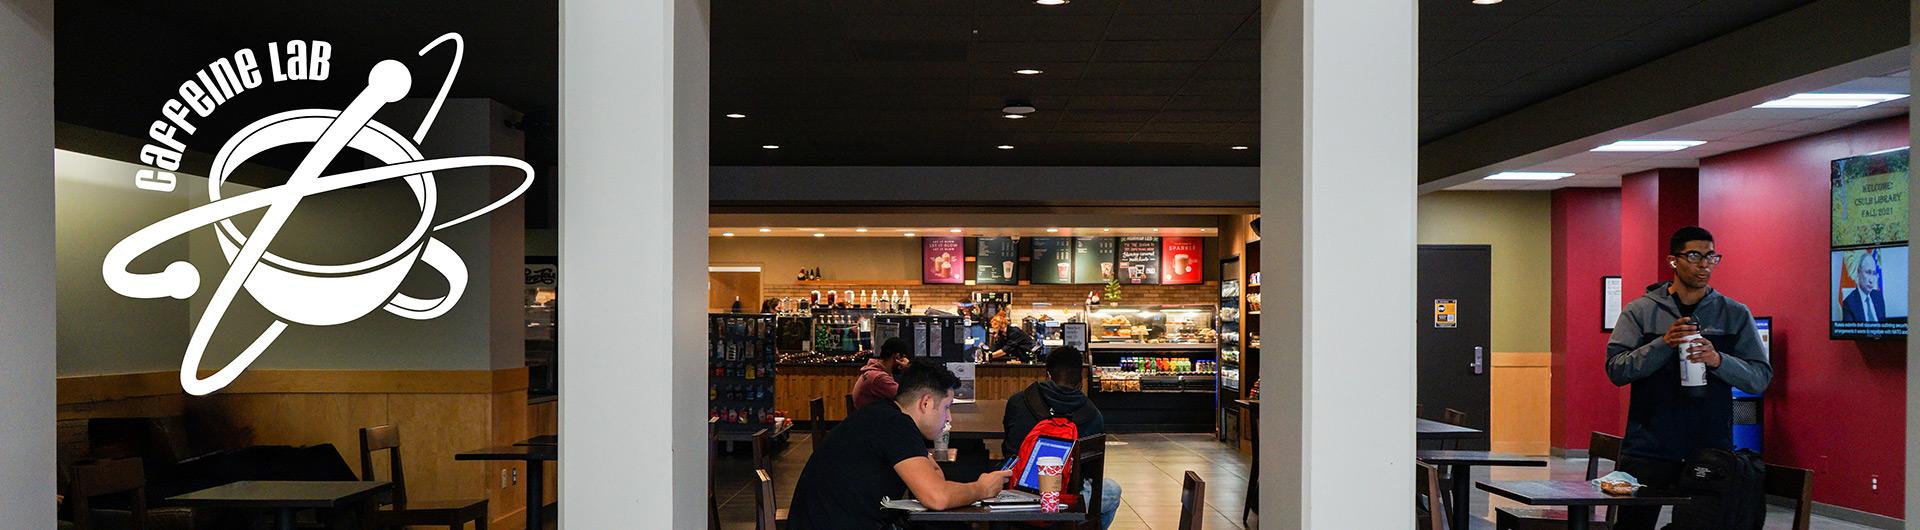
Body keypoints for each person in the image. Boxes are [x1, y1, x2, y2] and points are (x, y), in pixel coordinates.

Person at [1605, 226, 1772, 530]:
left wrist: (1718, 360)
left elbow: (1759, 378)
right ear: (1673, 260)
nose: (1704, 265)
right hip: (1648, 448)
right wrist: (1662, 344)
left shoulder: (1734, 314)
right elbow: (1617, 369)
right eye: (1694, 256)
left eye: (1711, 257)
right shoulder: (1639, 311)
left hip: (1711, 448)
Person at [788, 359, 1012, 530]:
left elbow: (935, 477)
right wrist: (981, 488)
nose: (948, 418)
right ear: (925, 403)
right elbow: (937, 496)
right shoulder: (896, 425)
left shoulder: (884, 415)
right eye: (946, 407)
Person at [1001, 346, 1121, 530]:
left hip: (1015, 493)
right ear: (1080, 380)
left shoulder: (1018, 401)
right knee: (1112, 490)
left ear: (1047, 374)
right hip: (1064, 501)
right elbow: (1090, 473)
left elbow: (1009, 449)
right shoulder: (1092, 414)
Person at [852, 337, 911, 410]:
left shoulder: (874, 371)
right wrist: (909, 369)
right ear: (897, 357)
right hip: (872, 419)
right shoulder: (879, 377)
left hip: (867, 417)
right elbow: (907, 397)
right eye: (904, 358)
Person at [1841, 249, 1888, 322]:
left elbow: (1885, 328)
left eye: (1874, 273)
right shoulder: (1849, 303)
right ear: (1859, 272)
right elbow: (1850, 332)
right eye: (1868, 272)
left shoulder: (1878, 297)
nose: (1871, 280)